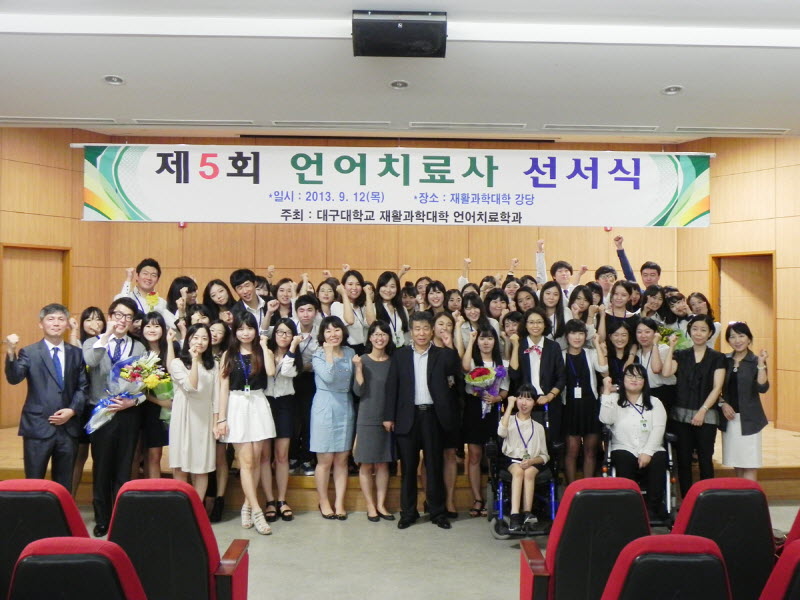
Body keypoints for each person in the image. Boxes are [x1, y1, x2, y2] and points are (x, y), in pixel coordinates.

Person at [384, 311, 463, 530]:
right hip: (407, 417)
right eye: (417, 329)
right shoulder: (400, 355)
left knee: (434, 466)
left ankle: (437, 512)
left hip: (433, 417)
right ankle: (408, 513)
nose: (421, 333)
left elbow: (456, 381)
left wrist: (450, 346)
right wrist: (389, 416)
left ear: (432, 330)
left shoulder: (443, 355)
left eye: (425, 328)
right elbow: (392, 387)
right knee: (408, 468)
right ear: (411, 331)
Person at [4, 303, 89, 491]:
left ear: (67, 324)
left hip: (68, 428)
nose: (56, 323)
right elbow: (14, 378)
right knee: (33, 483)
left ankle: (61, 512)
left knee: (64, 485)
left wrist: (72, 410)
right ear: (41, 324)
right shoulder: (29, 352)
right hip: (38, 426)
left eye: (61, 319)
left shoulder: (76, 353)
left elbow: (83, 387)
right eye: (50, 319)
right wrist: (11, 351)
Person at [83, 298, 146, 537]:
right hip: (101, 412)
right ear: (109, 316)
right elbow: (91, 361)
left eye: (128, 317)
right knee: (102, 467)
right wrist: (107, 335)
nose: (122, 320)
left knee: (124, 466)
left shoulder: (138, 347)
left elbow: (143, 384)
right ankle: (102, 519)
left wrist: (133, 401)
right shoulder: (93, 342)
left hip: (128, 413)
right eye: (118, 315)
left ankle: (120, 518)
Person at [214, 311, 276, 535]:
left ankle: (247, 505)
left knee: (257, 460)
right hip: (237, 405)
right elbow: (223, 389)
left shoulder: (262, 351)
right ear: (235, 332)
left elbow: (271, 372)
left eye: (249, 328)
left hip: (257, 402)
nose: (245, 333)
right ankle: (257, 510)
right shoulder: (228, 355)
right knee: (246, 461)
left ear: (256, 330)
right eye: (240, 329)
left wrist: (265, 345)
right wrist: (221, 418)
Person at [661, 314, 725, 497]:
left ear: (710, 333)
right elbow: (666, 372)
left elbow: (717, 387)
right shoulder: (681, 354)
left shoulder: (717, 357)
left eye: (703, 330)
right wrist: (671, 347)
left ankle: (707, 501)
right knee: (683, 460)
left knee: (705, 459)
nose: (698, 333)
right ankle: (687, 500)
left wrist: (703, 411)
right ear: (689, 331)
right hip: (681, 415)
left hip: (707, 415)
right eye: (695, 329)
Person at [599, 364, 668, 520]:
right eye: (630, 376)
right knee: (623, 459)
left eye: (639, 376)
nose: (634, 380)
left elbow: (659, 429)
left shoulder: (655, 402)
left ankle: (652, 509)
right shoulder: (614, 400)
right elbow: (605, 419)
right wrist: (607, 393)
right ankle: (628, 509)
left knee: (659, 460)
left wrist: (648, 452)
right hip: (624, 446)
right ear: (623, 380)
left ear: (645, 381)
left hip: (651, 447)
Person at [311, 316, 356, 520]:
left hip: (345, 405)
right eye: (328, 331)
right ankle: (323, 501)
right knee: (325, 459)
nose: (333, 334)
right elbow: (328, 377)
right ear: (322, 335)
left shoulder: (350, 352)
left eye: (336, 329)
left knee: (342, 459)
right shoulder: (318, 355)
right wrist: (329, 353)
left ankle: (339, 502)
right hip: (324, 405)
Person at [462, 326, 509, 518]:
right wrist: (471, 341)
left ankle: (494, 496)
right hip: (474, 409)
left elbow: (505, 389)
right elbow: (465, 367)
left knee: (492, 454)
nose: (486, 342)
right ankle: (477, 498)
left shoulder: (501, 363)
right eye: (482, 338)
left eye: (490, 338)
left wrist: (497, 398)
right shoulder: (473, 361)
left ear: (495, 341)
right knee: (474, 455)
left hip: (493, 410)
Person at [352, 321, 396, 522]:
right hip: (367, 416)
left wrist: (391, 416)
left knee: (383, 464)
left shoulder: (393, 362)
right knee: (366, 464)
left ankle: (381, 504)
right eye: (376, 334)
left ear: (389, 337)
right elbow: (358, 391)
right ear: (370, 337)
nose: (380, 338)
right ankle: (370, 506)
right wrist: (358, 369)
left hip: (387, 418)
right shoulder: (362, 360)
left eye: (383, 334)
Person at [168, 323, 217, 499]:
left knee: (202, 466)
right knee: (181, 466)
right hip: (183, 415)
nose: (200, 342)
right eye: (195, 338)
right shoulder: (177, 363)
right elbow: (191, 386)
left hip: (204, 418)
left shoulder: (213, 365)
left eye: (204, 338)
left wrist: (217, 422)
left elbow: (216, 396)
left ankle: (197, 508)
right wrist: (195, 361)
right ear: (188, 339)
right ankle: (182, 508)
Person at [263, 318, 303, 522]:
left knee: (281, 455)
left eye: (288, 333)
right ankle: (269, 500)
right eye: (280, 332)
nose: (283, 336)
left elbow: (287, 371)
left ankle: (281, 499)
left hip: (286, 405)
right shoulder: (265, 352)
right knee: (264, 456)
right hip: (264, 403)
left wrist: (293, 347)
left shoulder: (295, 358)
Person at [719, 322, 769, 481]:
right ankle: (741, 494)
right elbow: (714, 387)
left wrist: (761, 365)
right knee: (738, 464)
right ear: (728, 340)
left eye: (741, 336)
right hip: (730, 419)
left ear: (749, 339)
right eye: (732, 337)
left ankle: (750, 496)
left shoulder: (755, 361)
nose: (737, 340)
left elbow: (762, 387)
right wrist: (722, 403)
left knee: (750, 464)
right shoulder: (724, 360)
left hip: (750, 420)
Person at [508, 306, 566, 444]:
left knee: (550, 443)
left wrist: (549, 396)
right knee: (526, 444)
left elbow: (561, 377)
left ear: (545, 324)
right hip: (525, 403)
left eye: (539, 322)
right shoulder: (519, 345)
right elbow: (514, 375)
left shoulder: (553, 347)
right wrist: (515, 346)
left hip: (549, 402)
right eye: (531, 322)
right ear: (525, 325)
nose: (535, 326)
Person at [497, 384, 549, 533]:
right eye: (520, 398)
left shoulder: (538, 427)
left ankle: (527, 513)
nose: (524, 403)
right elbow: (501, 432)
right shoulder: (509, 420)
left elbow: (545, 455)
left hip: (532, 461)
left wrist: (532, 461)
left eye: (528, 399)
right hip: (512, 459)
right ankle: (515, 516)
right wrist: (509, 406)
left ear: (534, 402)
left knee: (529, 472)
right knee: (519, 471)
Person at [561, 319, 608, 482]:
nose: (577, 337)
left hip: (590, 406)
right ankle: (571, 488)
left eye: (581, 333)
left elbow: (603, 369)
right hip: (569, 407)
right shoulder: (561, 355)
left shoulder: (590, 353)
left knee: (590, 450)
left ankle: (588, 487)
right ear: (567, 336)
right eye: (573, 333)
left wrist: (597, 345)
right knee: (572, 450)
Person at [115, 259, 174, 327]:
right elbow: (120, 307)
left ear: (157, 280)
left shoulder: (161, 303)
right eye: (145, 274)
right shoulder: (127, 296)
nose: (149, 278)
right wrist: (128, 279)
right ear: (137, 276)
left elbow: (171, 325)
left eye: (153, 275)